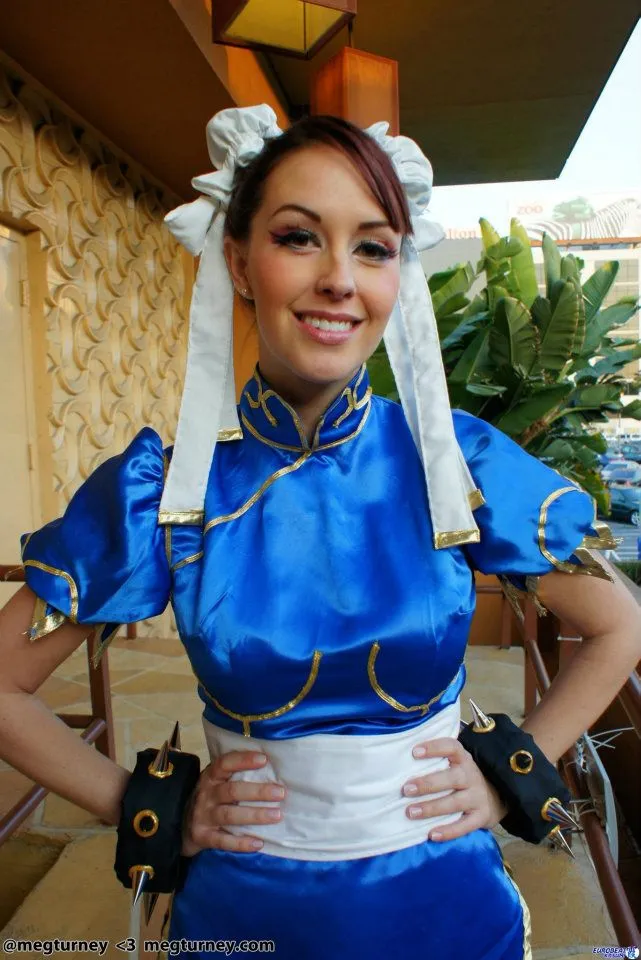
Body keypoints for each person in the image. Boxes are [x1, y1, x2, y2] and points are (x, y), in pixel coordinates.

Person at [1, 105, 640, 960]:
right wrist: (145, 805)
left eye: (372, 247)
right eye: (298, 237)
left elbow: (617, 625)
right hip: (244, 917)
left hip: (448, 907)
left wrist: (506, 775)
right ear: (237, 259)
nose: (340, 279)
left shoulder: (457, 465)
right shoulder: (168, 490)